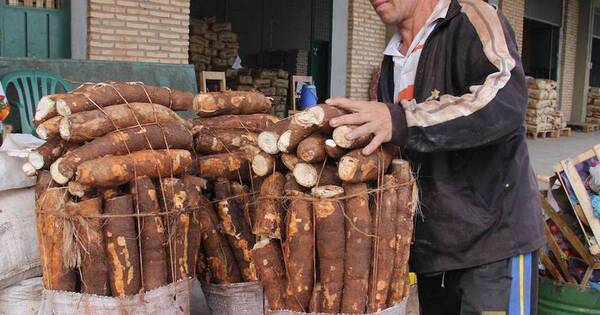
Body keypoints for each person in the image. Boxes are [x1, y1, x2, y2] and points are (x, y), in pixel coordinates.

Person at [327, 0, 545, 314]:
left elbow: (506, 100)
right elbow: (409, 145)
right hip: (435, 253)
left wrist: (400, 120)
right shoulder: (393, 60)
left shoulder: (472, 18)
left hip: (494, 245)